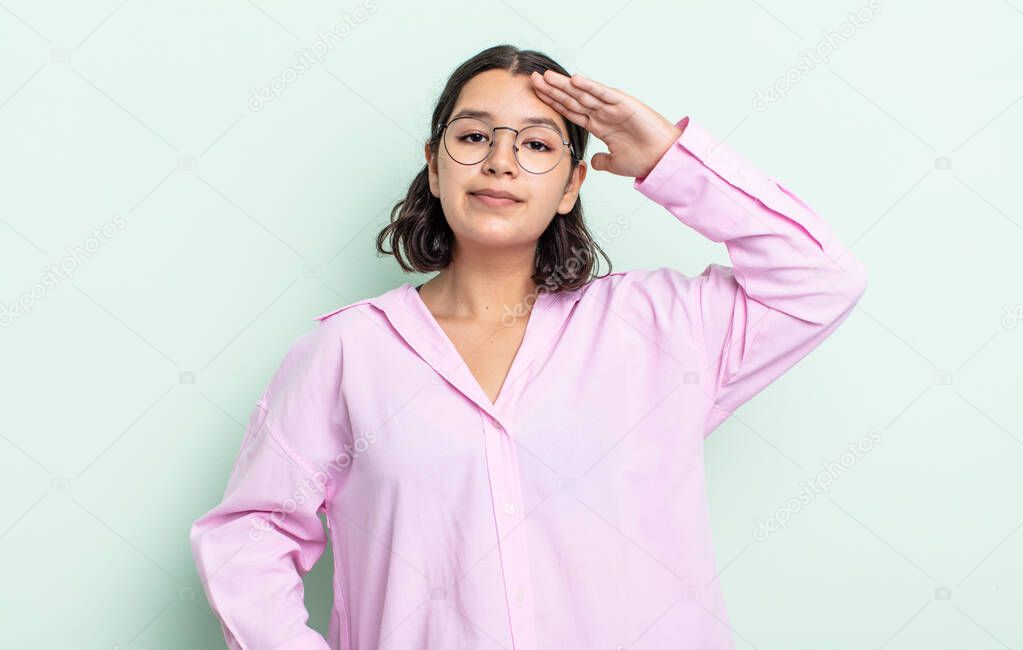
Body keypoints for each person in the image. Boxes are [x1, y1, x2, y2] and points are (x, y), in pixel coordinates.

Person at [190, 44, 867, 650]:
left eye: (538, 145)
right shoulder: (346, 353)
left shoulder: (660, 327)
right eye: (474, 135)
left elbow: (821, 279)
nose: (500, 162)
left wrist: (667, 159)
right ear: (433, 166)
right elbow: (247, 541)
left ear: (573, 183)